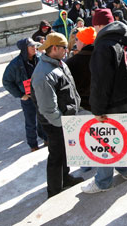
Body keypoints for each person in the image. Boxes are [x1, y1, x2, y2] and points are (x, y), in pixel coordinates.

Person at [81, 8, 127, 193]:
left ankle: (103, 182)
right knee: (121, 138)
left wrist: (97, 109)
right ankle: (125, 169)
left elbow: (101, 82)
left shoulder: (103, 46)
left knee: (105, 143)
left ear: (98, 25)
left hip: (113, 103)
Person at [31, 33, 84, 198]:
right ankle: (54, 189)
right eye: (63, 48)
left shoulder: (58, 63)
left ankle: (65, 178)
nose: (67, 51)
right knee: (56, 154)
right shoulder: (43, 74)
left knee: (64, 151)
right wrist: (62, 124)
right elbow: (48, 108)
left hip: (64, 120)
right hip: (55, 123)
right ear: (54, 48)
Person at [2, 38, 48, 152]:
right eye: (31, 46)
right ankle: (33, 145)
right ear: (24, 49)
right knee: (30, 122)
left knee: (43, 118)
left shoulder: (39, 58)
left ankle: (46, 138)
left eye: (34, 46)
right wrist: (20, 95)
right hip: (27, 98)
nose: (34, 48)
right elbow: (6, 81)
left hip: (41, 95)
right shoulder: (15, 64)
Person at [65, 27, 96, 111]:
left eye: (77, 39)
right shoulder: (104, 56)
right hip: (107, 104)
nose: (75, 42)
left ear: (83, 42)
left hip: (82, 108)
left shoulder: (71, 62)